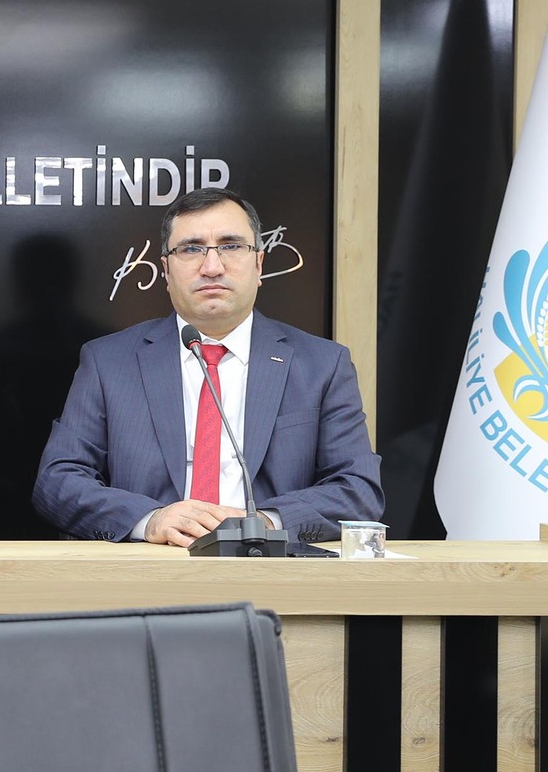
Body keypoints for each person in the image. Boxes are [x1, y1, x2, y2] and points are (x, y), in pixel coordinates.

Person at [33, 188, 382, 546]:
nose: (212, 267)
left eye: (231, 246)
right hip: (151, 566)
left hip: (271, 567)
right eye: (191, 249)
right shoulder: (108, 361)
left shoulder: (322, 364)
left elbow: (358, 489)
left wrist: (264, 522)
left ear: (259, 264)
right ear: (166, 270)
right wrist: (149, 520)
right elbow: (58, 482)